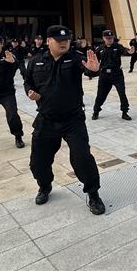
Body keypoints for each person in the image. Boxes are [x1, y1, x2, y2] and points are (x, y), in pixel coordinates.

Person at [24, 25, 105, 215]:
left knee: (82, 158)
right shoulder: (36, 61)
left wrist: (94, 70)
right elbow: (28, 81)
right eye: (59, 41)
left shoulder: (75, 58)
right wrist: (30, 91)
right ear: (48, 41)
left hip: (72, 119)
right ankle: (45, 186)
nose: (64, 43)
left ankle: (93, 194)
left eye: (66, 40)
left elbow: (88, 69)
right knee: (38, 162)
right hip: (46, 119)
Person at [92, 30, 134, 121]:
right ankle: (96, 111)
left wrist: (130, 52)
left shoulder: (118, 46)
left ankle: (124, 112)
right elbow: (95, 60)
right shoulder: (100, 48)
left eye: (111, 38)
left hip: (117, 74)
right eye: (107, 38)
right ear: (103, 38)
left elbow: (125, 51)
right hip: (104, 75)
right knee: (101, 95)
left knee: (122, 94)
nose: (110, 40)